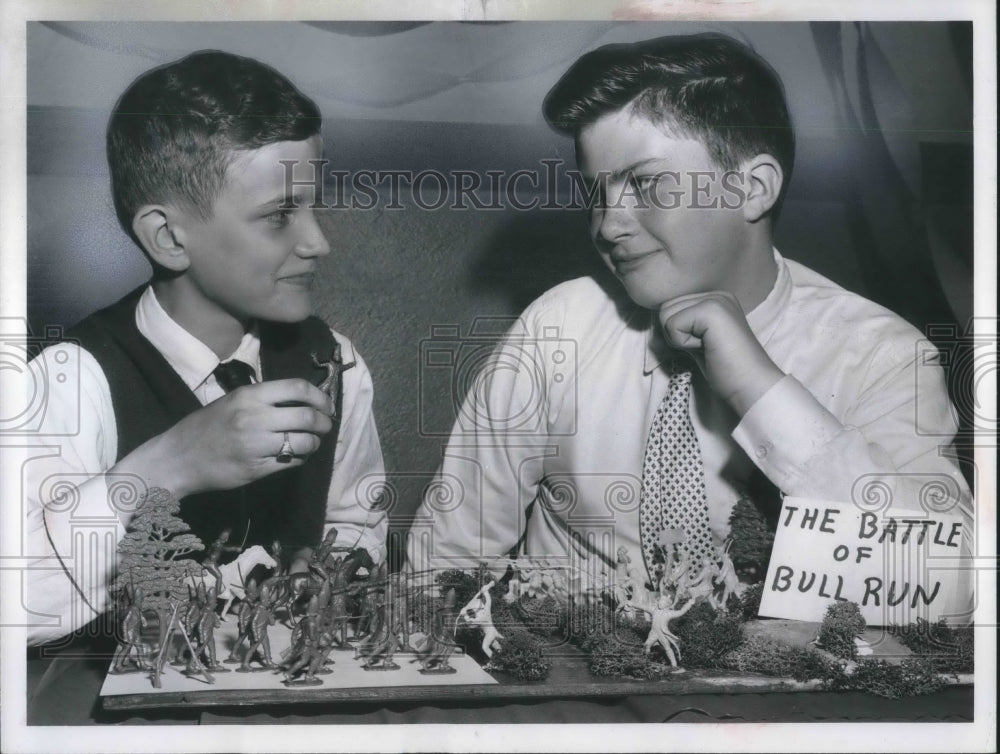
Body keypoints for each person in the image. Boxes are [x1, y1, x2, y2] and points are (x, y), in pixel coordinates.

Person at [407, 33, 973, 619]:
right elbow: (442, 564)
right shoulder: (557, 330)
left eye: (646, 183)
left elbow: (948, 596)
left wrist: (760, 389)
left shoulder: (883, 356)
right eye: (596, 194)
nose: (608, 225)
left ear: (752, 188)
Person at [25, 51, 387, 646]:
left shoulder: (333, 362)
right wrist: (171, 465)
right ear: (168, 238)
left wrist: (329, 569)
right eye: (280, 216)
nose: (318, 241)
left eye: (313, 206)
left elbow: (356, 520)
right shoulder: (68, 380)